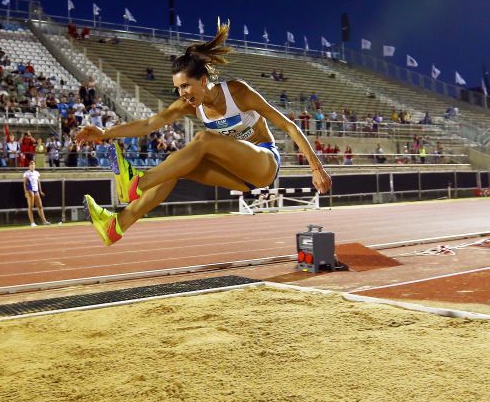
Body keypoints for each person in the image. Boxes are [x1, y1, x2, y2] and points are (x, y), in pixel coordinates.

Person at [78, 23, 331, 245]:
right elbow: (148, 124)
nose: (182, 94)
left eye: (185, 85)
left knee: (203, 139)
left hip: (264, 163)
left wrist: (316, 167)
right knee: (177, 167)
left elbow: (288, 125)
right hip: (236, 176)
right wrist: (104, 132)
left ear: (202, 81)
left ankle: (137, 183)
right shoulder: (189, 105)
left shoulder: (237, 92)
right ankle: (116, 225)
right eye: (177, 88)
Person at [23, 161, 50, 227]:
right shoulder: (26, 173)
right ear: (29, 166)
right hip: (30, 190)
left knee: (40, 206)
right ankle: (32, 222)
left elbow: (38, 182)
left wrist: (40, 191)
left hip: (36, 190)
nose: (32, 165)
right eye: (31, 164)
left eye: (33, 164)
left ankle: (44, 221)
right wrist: (26, 192)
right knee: (30, 206)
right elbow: (24, 183)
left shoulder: (37, 173)